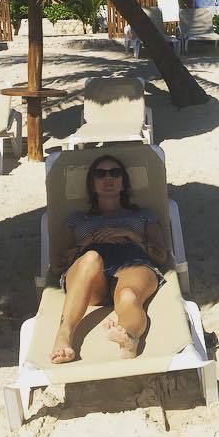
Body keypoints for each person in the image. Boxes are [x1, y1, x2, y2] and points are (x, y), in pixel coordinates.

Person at [50, 154, 170, 363]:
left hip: (133, 263)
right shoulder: (76, 219)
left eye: (115, 173)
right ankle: (64, 335)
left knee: (128, 295)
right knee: (91, 258)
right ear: (92, 184)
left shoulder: (143, 215)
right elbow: (57, 265)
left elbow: (161, 256)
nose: (108, 178)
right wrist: (86, 242)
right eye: (100, 174)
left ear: (123, 183)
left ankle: (129, 338)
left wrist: (131, 235)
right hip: (91, 277)